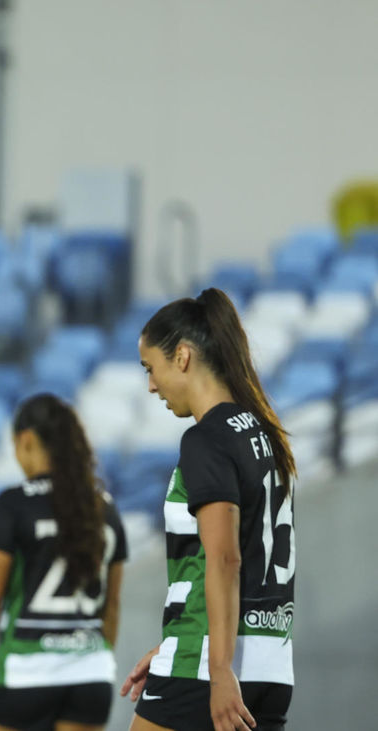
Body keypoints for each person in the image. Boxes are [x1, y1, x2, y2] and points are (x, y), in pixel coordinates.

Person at [122, 288, 296, 731]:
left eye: (151, 368)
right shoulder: (265, 434)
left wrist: (217, 668)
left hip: (208, 666)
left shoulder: (206, 439)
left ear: (182, 357)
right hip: (271, 665)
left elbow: (223, 558)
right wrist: (171, 648)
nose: (151, 386)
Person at [0, 394, 128, 731]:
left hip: (25, 670)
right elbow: (113, 604)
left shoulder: (13, 504)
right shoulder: (105, 508)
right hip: (91, 674)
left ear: (27, 440)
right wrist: (97, 661)